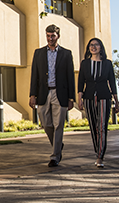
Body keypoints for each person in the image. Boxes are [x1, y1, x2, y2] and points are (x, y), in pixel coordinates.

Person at [29, 24, 75, 167]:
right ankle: (58, 144)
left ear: (58, 36)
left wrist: (71, 98)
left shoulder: (66, 54)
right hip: (44, 93)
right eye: (48, 36)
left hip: (60, 93)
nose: (50, 38)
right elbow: (34, 75)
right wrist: (32, 94)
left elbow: (70, 77)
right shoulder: (38, 53)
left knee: (58, 125)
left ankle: (55, 156)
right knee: (46, 124)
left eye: (53, 36)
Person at [76, 37, 119, 168]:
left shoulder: (107, 64)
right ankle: (98, 150)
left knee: (102, 127)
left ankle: (100, 156)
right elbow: (80, 82)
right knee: (93, 126)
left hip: (104, 97)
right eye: (91, 45)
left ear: (101, 47)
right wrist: (80, 98)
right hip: (88, 97)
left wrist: (116, 101)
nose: (93, 47)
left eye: (96, 45)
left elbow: (112, 82)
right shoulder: (84, 63)